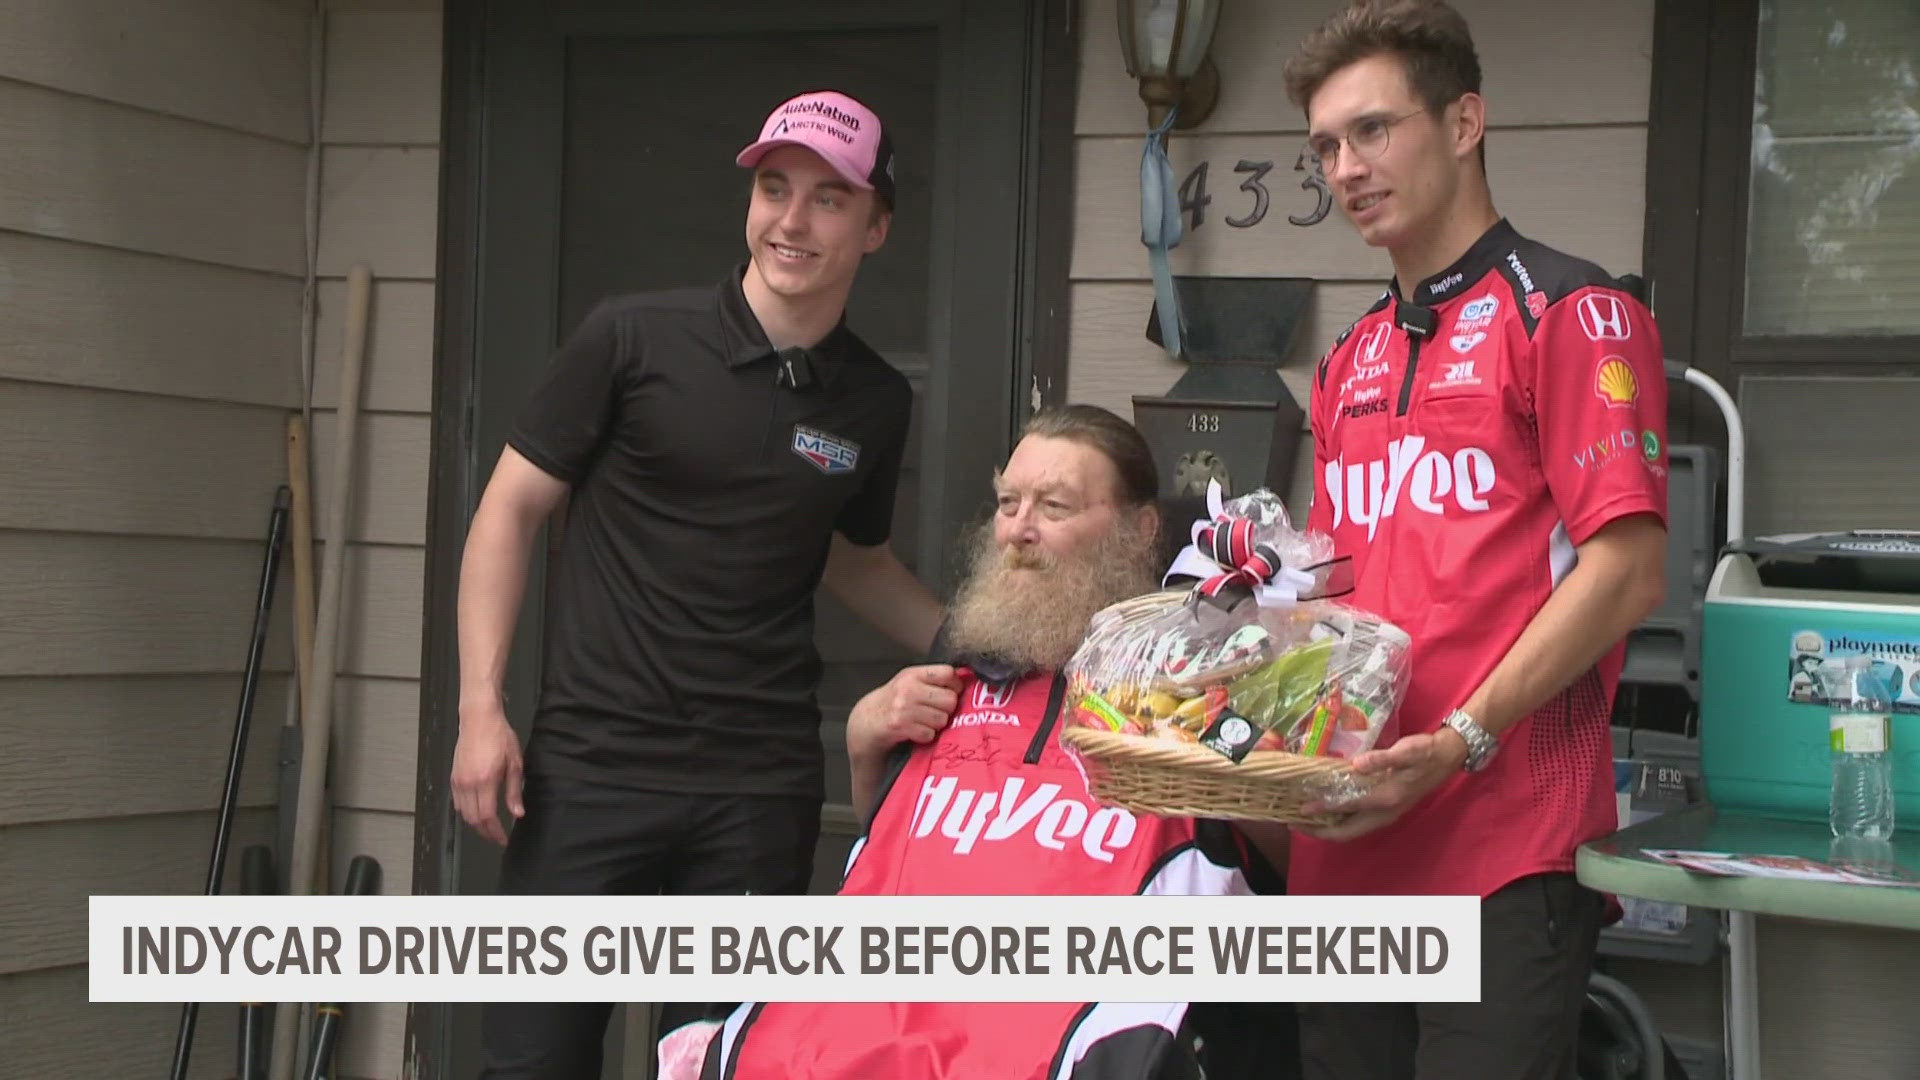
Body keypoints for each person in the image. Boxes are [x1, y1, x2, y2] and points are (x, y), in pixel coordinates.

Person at [451, 88, 945, 1078]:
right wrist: (479, 707)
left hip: (755, 790)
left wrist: (989, 651)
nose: (791, 221)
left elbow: (854, 560)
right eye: (774, 189)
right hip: (592, 772)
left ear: (877, 226)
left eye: (828, 198)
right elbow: (506, 512)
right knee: (531, 1061)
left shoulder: (875, 402)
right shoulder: (631, 339)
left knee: (720, 1063)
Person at [1259, 3, 1673, 1077]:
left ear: (1464, 121)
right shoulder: (1347, 356)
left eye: (1374, 130)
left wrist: (1458, 743)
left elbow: (1627, 571)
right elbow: (1337, 587)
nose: (1346, 167)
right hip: (1345, 840)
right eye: (1326, 147)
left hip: (1501, 845)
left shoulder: (1575, 313)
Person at [691, 404, 1293, 1080]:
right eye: (1009, 502)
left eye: (1054, 507)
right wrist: (866, 742)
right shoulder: (956, 677)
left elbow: (1280, 874)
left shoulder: (1200, 686)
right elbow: (894, 860)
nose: (1018, 531)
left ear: (1140, 529)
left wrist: (1228, 766)